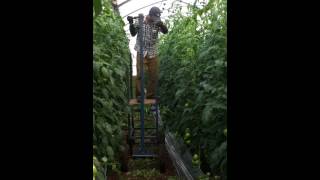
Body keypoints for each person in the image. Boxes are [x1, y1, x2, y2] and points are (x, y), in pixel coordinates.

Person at [127, 7, 168, 101]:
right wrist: (131, 23)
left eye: (157, 17)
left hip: (153, 52)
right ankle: (139, 95)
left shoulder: (158, 22)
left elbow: (165, 32)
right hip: (141, 51)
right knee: (140, 74)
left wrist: (162, 25)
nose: (155, 19)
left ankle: (150, 94)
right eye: (154, 17)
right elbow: (133, 33)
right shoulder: (140, 21)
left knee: (154, 74)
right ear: (150, 15)